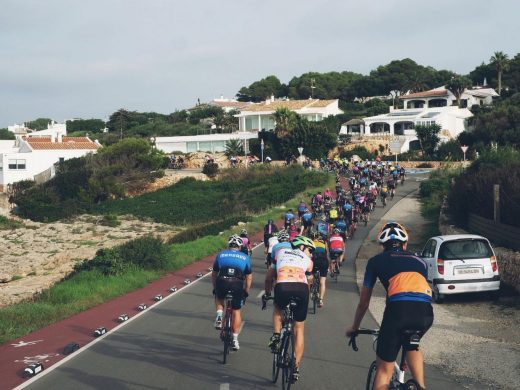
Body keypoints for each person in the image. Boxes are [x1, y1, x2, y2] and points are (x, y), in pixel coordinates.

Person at [346, 222, 433, 390]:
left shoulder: (375, 262)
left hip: (398, 312)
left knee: (384, 371)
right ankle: (421, 385)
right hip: (425, 313)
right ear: (405, 244)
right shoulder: (421, 262)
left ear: (382, 245)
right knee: (412, 344)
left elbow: (364, 303)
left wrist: (354, 327)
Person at [264, 235, 315, 383]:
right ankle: (296, 366)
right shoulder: (308, 260)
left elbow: (269, 277)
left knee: (278, 310)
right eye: (309, 250)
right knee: (299, 328)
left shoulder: (280, 253)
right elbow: (310, 280)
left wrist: (267, 293)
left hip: (283, 287)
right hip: (302, 290)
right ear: (302, 247)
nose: (310, 253)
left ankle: (275, 336)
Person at [212, 235, 253, 351]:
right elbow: (249, 277)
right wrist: (246, 291)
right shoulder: (245, 257)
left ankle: (219, 316)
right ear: (240, 247)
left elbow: (214, 273)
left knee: (219, 297)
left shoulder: (221, 254)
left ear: (228, 246)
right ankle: (235, 339)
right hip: (237, 284)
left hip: (222, 281)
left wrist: (215, 288)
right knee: (236, 311)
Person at [311, 232, 329, 307]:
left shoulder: (311, 242)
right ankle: (321, 300)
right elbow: (326, 253)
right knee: (322, 282)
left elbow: (309, 254)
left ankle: (311, 290)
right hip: (324, 261)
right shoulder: (324, 242)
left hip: (315, 261)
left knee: (309, 276)